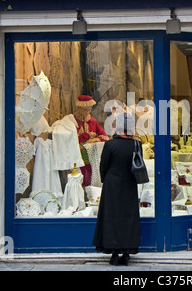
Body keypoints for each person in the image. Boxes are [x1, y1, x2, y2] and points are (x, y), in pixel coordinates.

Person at [92, 113, 140, 266]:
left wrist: (105, 179)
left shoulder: (110, 144)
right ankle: (126, 254)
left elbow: (103, 165)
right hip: (130, 183)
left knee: (111, 217)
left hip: (112, 184)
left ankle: (113, 253)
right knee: (128, 216)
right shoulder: (136, 144)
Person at [74, 95, 109, 187]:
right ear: (79, 108)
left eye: (89, 109)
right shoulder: (73, 120)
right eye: (85, 110)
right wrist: (87, 136)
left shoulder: (92, 121)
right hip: (78, 154)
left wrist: (96, 139)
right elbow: (72, 138)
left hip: (92, 155)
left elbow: (105, 135)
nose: (88, 112)